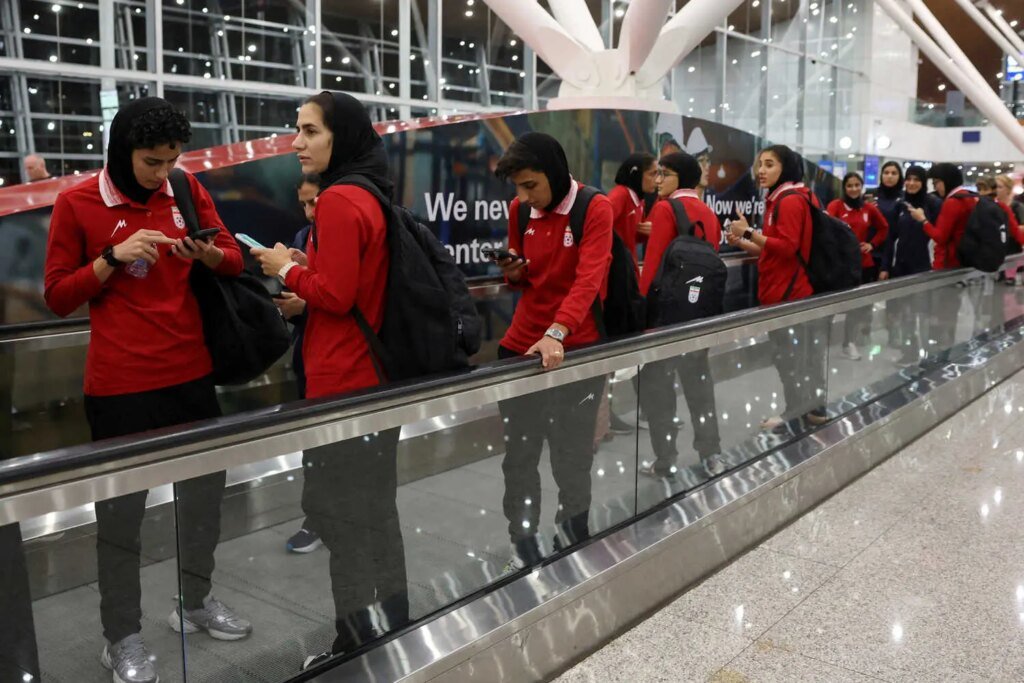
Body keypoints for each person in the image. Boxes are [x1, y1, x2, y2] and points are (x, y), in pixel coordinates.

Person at [44, 97, 251, 683]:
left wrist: (204, 252)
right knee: (121, 520)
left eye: (171, 161)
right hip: (120, 387)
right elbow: (58, 295)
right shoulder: (77, 202)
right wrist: (111, 257)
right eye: (151, 162)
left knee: (205, 502)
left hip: (190, 373)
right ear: (121, 152)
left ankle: (194, 602)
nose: (163, 174)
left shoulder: (184, 191)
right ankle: (122, 636)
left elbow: (234, 261)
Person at [251, 91, 408, 668]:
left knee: (342, 521)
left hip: (343, 387)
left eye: (311, 131)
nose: (297, 142)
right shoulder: (372, 194)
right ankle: (393, 623)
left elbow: (338, 296)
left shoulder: (341, 199)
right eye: (297, 130)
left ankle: (354, 641)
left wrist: (285, 267)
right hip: (370, 378)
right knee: (375, 514)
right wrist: (306, 292)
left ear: (340, 136)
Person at [492, 132, 612, 572]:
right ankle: (522, 547)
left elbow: (589, 280)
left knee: (571, 455)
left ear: (555, 173)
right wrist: (515, 271)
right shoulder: (519, 209)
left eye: (531, 186)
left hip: (574, 347)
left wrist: (558, 332)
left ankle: (571, 542)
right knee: (519, 458)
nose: (525, 197)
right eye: (519, 188)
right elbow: (522, 282)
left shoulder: (593, 208)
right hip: (521, 346)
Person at [726, 145, 829, 431]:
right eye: (760, 164)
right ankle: (812, 410)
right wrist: (745, 241)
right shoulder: (787, 198)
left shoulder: (790, 200)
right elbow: (773, 250)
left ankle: (795, 414)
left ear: (786, 168)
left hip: (789, 295)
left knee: (791, 360)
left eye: (769, 164)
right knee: (799, 359)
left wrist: (748, 231)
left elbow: (787, 247)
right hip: (786, 290)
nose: (761, 170)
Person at [637, 152, 724, 478]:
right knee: (700, 386)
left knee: (658, 389)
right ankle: (710, 454)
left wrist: (643, 313)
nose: (658, 180)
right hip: (700, 314)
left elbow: (654, 266)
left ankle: (665, 459)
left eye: (666, 174)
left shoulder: (665, 208)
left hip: (666, 317)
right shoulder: (707, 211)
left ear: (681, 178)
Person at [278, 174, 322, 554]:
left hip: (344, 361)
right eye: (304, 204)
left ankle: (339, 516)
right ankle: (317, 518)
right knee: (315, 444)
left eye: (315, 202)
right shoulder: (300, 239)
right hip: (308, 352)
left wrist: (307, 303)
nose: (310, 213)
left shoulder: (346, 235)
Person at [879, 165, 941, 364]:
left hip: (925, 268)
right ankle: (910, 350)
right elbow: (891, 238)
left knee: (923, 313)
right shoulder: (901, 205)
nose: (912, 183)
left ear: (923, 183)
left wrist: (923, 220)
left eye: (917, 180)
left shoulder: (932, 204)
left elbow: (940, 235)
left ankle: (929, 353)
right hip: (902, 268)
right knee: (905, 313)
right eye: (909, 179)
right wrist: (885, 266)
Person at [827, 172, 889, 360]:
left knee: (857, 307)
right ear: (844, 188)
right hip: (839, 266)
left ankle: (848, 342)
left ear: (861, 187)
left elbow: (884, 228)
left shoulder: (868, 209)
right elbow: (826, 231)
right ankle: (823, 344)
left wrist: (872, 244)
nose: (853, 189)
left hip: (862, 265)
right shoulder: (836, 206)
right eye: (849, 185)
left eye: (857, 185)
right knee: (831, 305)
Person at [608, 153, 657, 266]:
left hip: (627, 265)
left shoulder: (639, 201)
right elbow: (599, 225)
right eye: (652, 174)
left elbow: (634, 236)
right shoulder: (620, 195)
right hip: (615, 266)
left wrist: (651, 231)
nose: (657, 180)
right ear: (637, 175)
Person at [872, 161, 904, 235]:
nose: (889, 176)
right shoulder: (871, 194)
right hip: (872, 242)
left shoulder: (904, 197)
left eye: (894, 173)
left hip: (894, 242)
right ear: (881, 175)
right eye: (886, 173)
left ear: (899, 176)